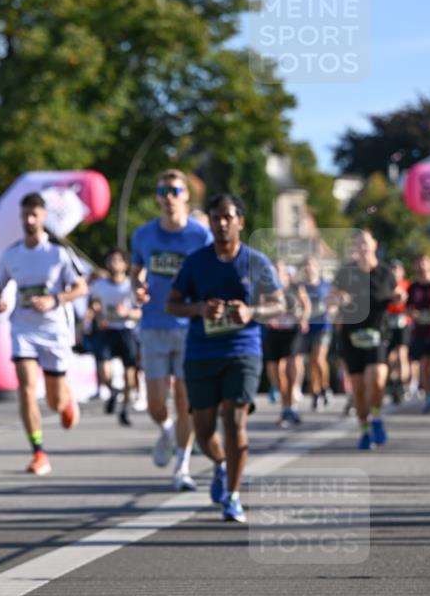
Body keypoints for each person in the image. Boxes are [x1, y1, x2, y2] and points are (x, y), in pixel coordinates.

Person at [166, 193, 284, 522]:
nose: (221, 223)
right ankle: (220, 464)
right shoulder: (196, 261)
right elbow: (172, 304)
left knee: (234, 420)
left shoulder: (256, 261)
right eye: (216, 217)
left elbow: (279, 303)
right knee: (203, 431)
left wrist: (252, 310)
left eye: (228, 217)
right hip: (202, 351)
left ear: (240, 222)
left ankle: (232, 495)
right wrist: (199, 308)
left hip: (242, 350)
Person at [0, 192, 87, 476]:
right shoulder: (11, 254)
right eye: (25, 215)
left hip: (54, 330)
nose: (29, 220)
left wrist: (55, 300)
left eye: (34, 214)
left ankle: (65, 399)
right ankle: (38, 452)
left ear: (44, 216)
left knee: (55, 403)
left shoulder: (58, 254)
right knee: (27, 389)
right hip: (24, 329)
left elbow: (80, 287)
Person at [130, 169, 212, 492]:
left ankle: (183, 466)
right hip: (153, 324)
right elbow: (137, 271)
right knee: (155, 402)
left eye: (175, 191)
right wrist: (137, 287)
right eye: (162, 191)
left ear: (186, 196)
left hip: (189, 325)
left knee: (184, 399)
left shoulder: (200, 235)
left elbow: (210, 273)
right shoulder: (144, 235)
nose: (168, 197)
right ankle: (165, 430)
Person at [328, 229, 396, 450]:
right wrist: (338, 298)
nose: (362, 248)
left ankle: (376, 417)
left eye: (366, 243)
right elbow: (330, 297)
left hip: (378, 334)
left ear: (374, 244)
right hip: (351, 336)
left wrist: (399, 299)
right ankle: (364, 429)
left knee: (376, 379)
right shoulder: (346, 272)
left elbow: (397, 297)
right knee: (357, 388)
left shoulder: (385, 273)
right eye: (358, 244)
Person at [89, 249, 141, 426]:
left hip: (127, 331)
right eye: (110, 260)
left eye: (118, 260)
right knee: (104, 371)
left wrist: (127, 312)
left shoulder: (131, 286)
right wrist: (98, 315)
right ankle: (113, 391)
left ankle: (124, 408)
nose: (114, 264)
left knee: (130, 376)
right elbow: (94, 304)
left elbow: (141, 312)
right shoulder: (100, 285)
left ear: (125, 265)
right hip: (107, 330)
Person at [263, 260, 310, 427]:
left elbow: (306, 305)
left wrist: (303, 318)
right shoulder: (267, 289)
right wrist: (268, 318)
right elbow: (261, 307)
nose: (276, 273)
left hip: (292, 332)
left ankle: (291, 407)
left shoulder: (295, 287)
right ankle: (285, 407)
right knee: (277, 372)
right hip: (275, 333)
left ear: (285, 272)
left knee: (289, 368)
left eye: (279, 270)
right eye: (273, 270)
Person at [406, 253, 430, 413]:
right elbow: (408, 306)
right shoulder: (414, 286)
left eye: (424, 262)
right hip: (419, 331)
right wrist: (412, 313)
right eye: (419, 262)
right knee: (424, 366)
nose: (422, 265)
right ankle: (429, 398)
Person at [300, 255, 333, 410]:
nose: (309, 268)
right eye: (306, 265)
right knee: (311, 362)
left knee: (318, 358)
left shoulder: (326, 285)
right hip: (308, 327)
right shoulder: (301, 287)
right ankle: (315, 392)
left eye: (312, 265)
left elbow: (334, 302)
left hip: (324, 326)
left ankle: (325, 387)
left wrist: (333, 309)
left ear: (317, 268)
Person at [385, 259, 411, 404]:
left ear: (402, 271)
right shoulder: (386, 285)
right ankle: (393, 383)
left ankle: (403, 384)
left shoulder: (407, 285)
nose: (394, 272)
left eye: (397, 269)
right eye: (392, 269)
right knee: (390, 357)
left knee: (402, 354)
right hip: (388, 323)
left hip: (403, 322)